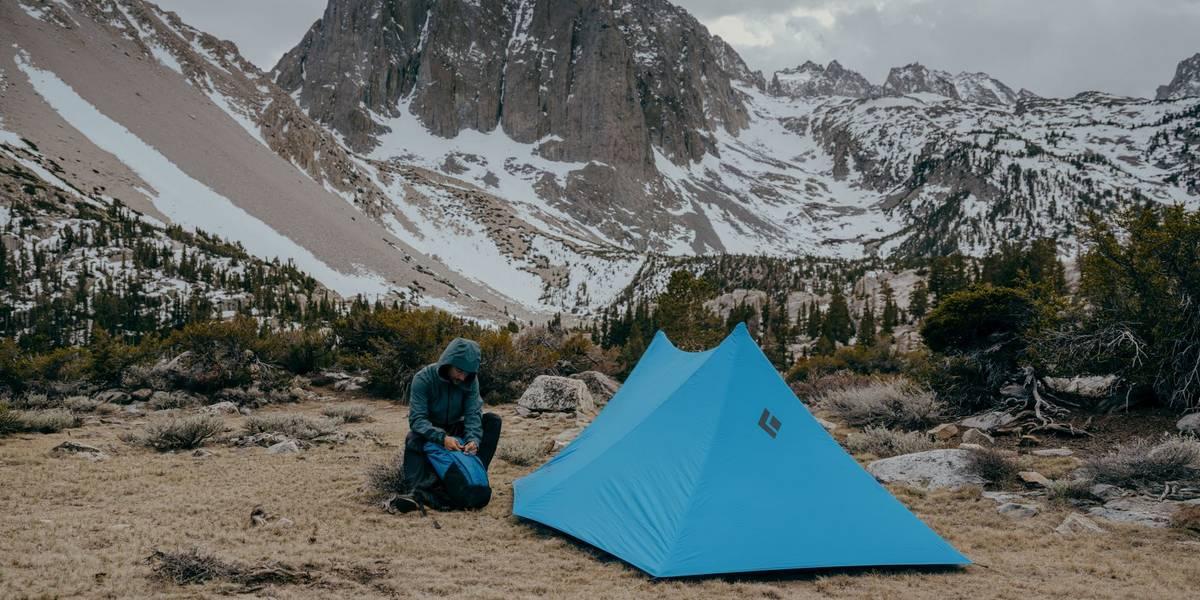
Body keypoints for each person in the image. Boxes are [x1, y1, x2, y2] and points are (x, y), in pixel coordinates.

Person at [388, 337, 501, 512]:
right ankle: (416, 493)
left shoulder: (470, 380)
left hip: (456, 426)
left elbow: (473, 414)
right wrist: (442, 438)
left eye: (467, 373)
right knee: (413, 438)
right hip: (432, 431)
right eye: (459, 371)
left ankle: (473, 476)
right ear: (447, 363)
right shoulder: (423, 379)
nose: (462, 377)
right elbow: (417, 419)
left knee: (493, 421)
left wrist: (473, 440)